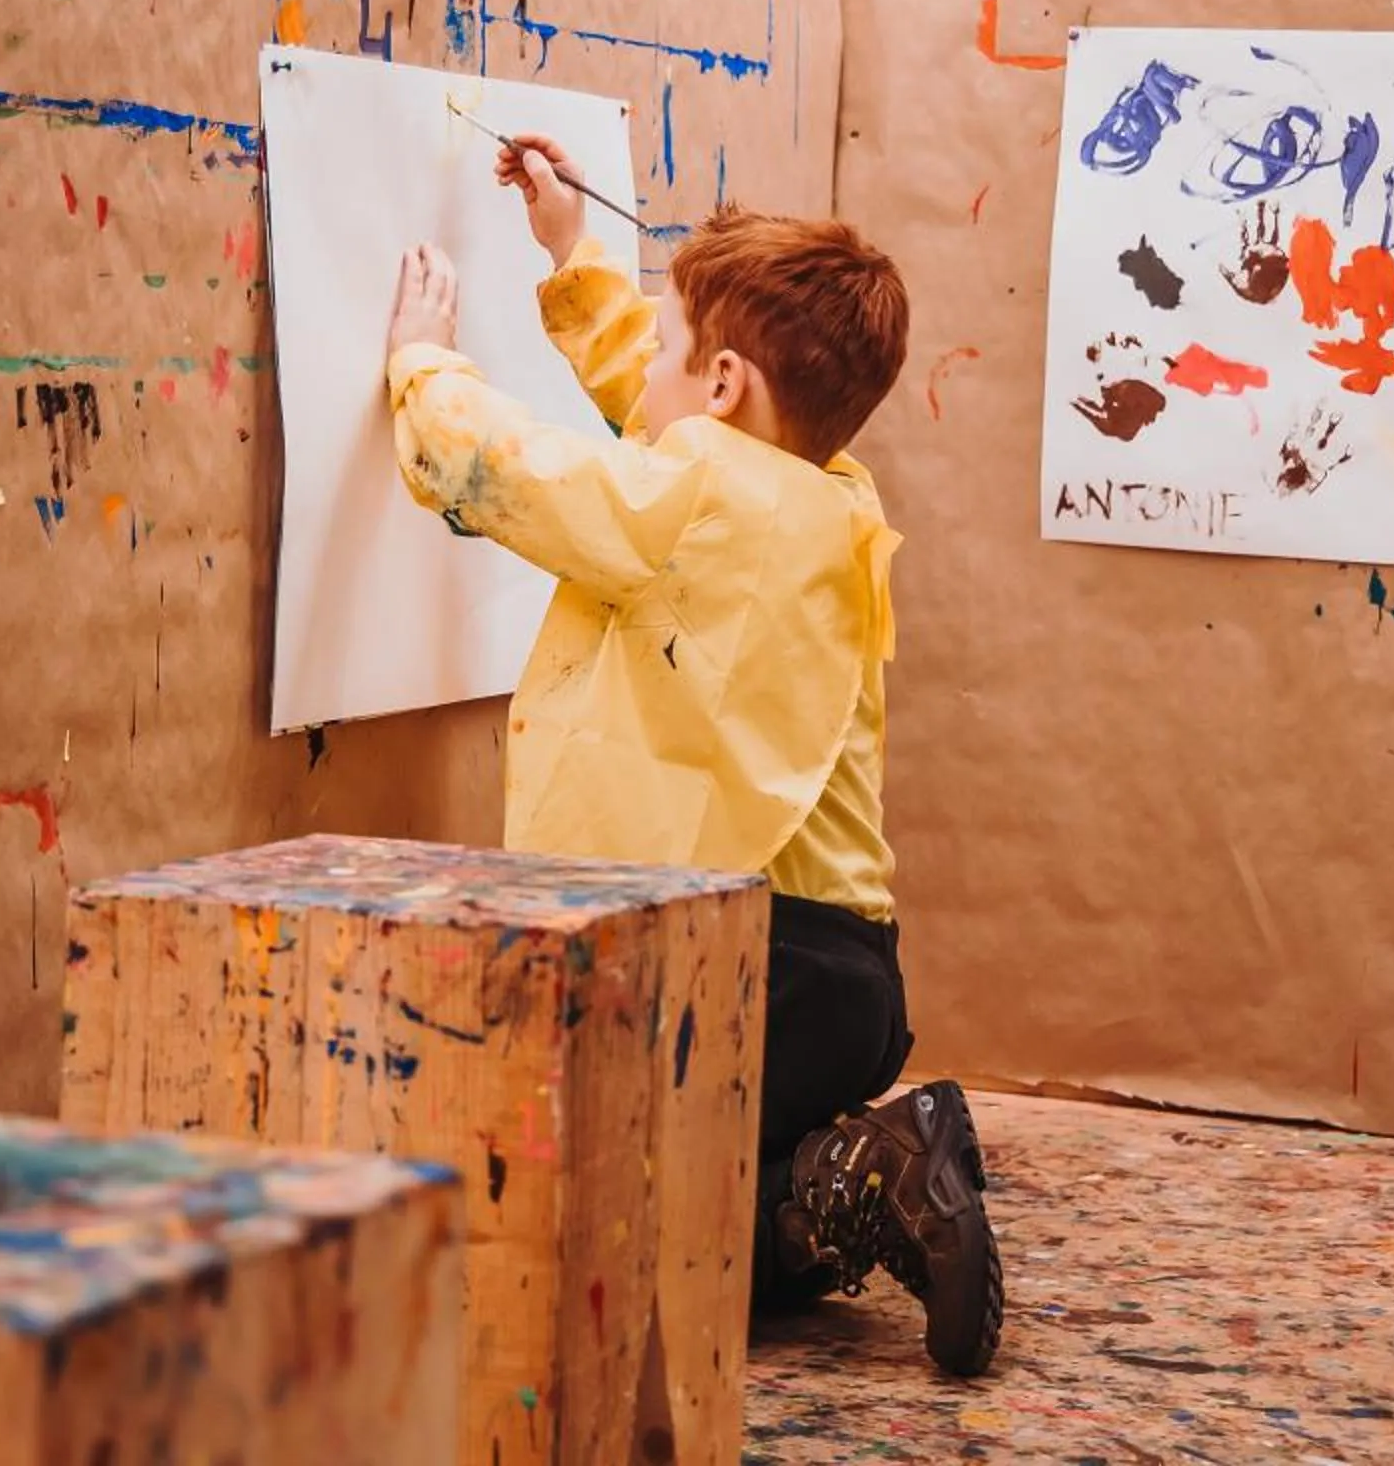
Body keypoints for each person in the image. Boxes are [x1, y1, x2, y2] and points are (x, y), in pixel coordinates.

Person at [381, 136, 1002, 1378]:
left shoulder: (691, 504)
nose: (647, 375)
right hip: (843, 966)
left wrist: (420, 365)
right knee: (675, 1169)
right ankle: (864, 1158)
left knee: (639, 1219)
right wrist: (573, 257)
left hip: (752, 954)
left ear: (722, 384)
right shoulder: (825, 492)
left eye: (667, 347)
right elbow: (667, 402)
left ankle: (861, 1174)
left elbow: (512, 470)